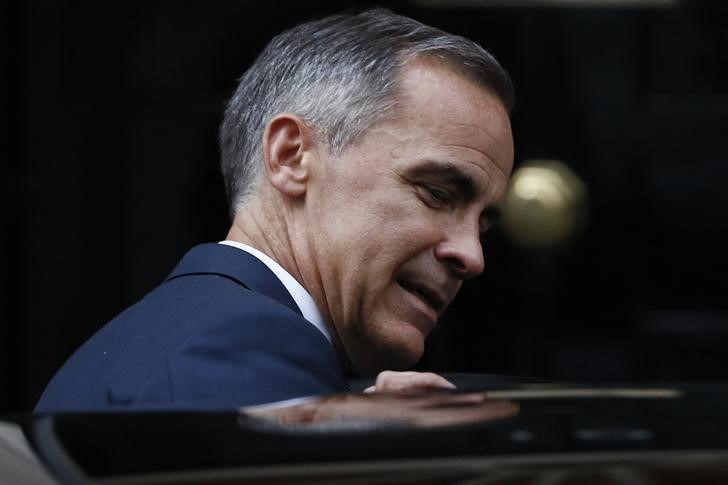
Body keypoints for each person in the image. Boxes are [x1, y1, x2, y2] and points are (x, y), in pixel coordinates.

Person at [35, 8, 514, 412]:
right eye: (437, 193)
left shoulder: (185, 332)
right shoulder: (239, 351)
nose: (472, 256)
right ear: (291, 157)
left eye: (482, 224)